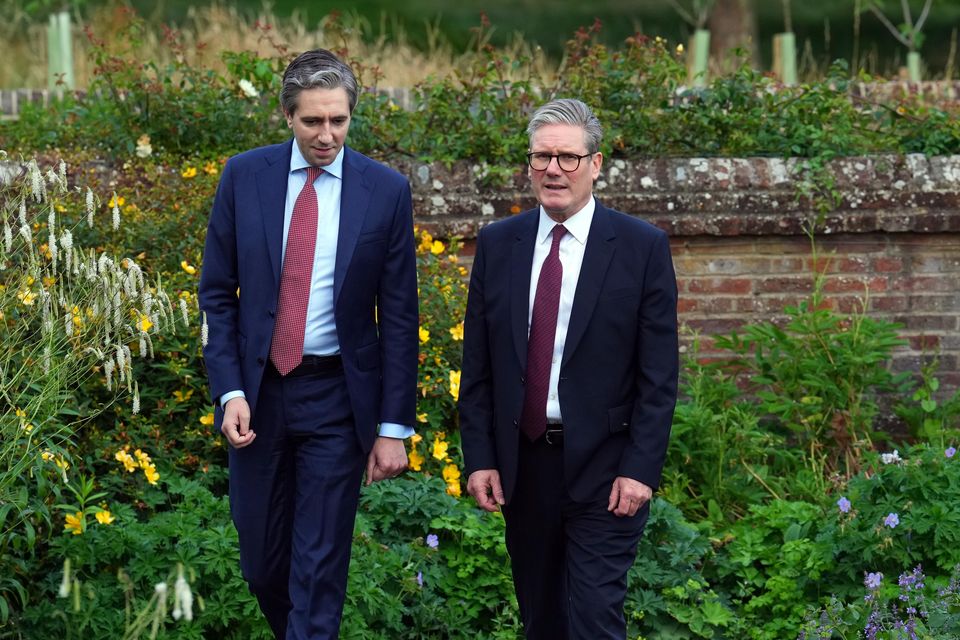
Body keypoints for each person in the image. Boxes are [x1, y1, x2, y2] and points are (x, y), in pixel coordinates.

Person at [198, 49, 418, 639]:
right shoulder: (245, 177)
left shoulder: (386, 190)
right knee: (263, 565)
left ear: (351, 116)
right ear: (287, 117)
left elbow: (398, 316)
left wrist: (394, 428)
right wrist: (231, 391)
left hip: (336, 398)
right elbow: (217, 295)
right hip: (260, 395)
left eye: (338, 121)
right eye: (313, 121)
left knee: (319, 568)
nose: (327, 135)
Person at [459, 98, 679, 639]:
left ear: (596, 164)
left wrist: (640, 469)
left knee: (595, 620)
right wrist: (481, 457)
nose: (553, 169)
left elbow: (658, 376)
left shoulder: (640, 247)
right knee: (542, 620)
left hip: (606, 470)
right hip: (523, 465)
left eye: (567, 158)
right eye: (541, 157)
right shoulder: (497, 244)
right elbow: (479, 366)